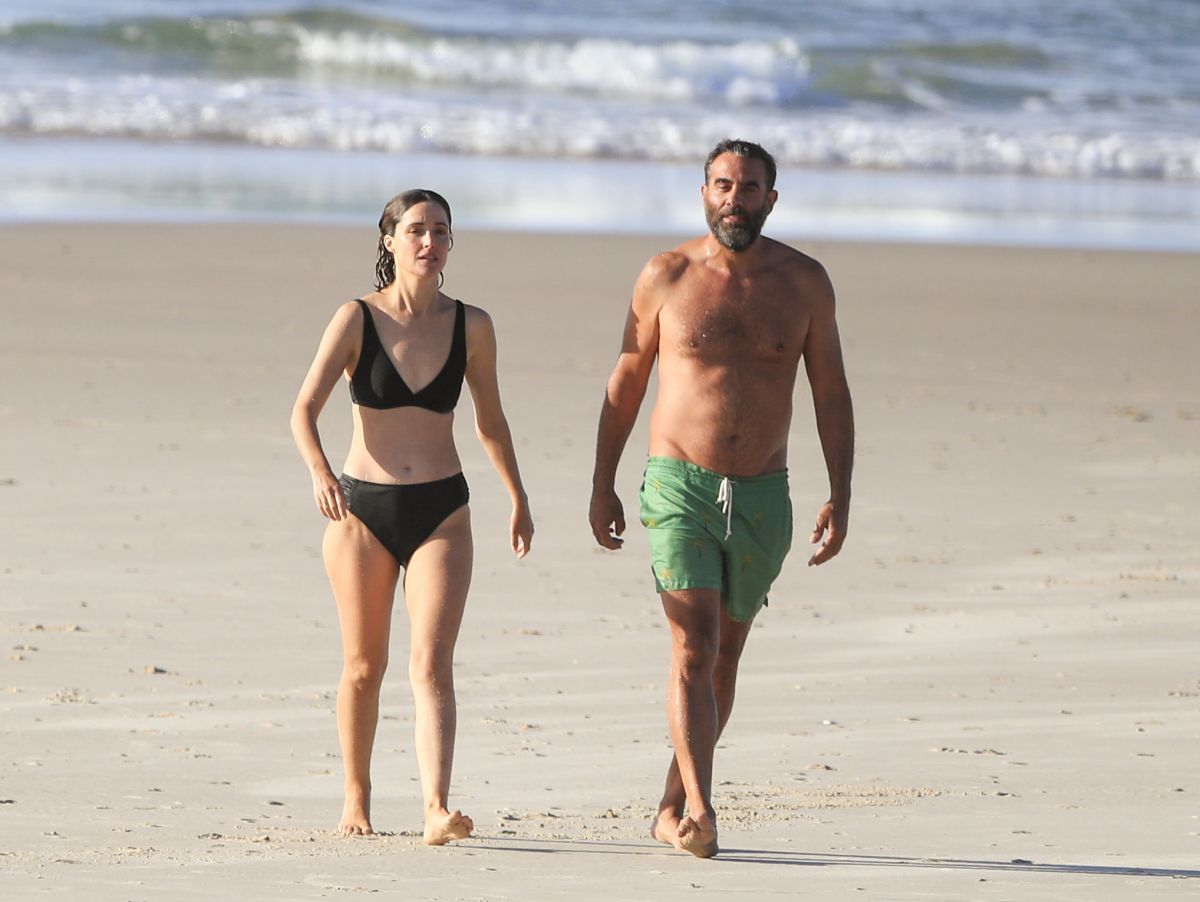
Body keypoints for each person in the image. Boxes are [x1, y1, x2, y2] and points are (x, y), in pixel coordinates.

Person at [588, 140, 854, 858]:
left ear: (773, 198)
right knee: (692, 645)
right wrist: (602, 480)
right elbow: (625, 382)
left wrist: (842, 492)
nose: (735, 199)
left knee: (725, 657)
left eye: (750, 188)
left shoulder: (804, 284)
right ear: (703, 192)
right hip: (680, 484)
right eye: (723, 185)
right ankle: (703, 811)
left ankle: (671, 803)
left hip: (765, 492)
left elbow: (830, 391)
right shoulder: (666, 275)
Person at [291, 189, 534, 844]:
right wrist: (319, 474)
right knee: (364, 665)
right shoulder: (355, 319)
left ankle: (435, 807)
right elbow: (303, 410)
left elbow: (490, 420)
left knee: (430, 662)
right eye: (418, 230)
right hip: (358, 511)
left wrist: (517, 495)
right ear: (390, 241)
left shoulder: (472, 326)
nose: (431, 242)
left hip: (442, 509)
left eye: (442, 231)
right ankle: (357, 794)